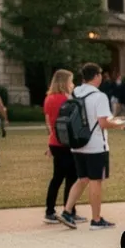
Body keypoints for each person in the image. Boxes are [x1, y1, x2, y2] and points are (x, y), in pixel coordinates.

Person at [60, 62, 125, 230]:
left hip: (78, 144)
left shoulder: (75, 92)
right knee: (96, 181)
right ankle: (96, 220)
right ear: (96, 76)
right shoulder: (99, 96)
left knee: (82, 179)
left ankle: (67, 211)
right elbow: (103, 122)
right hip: (96, 145)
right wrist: (119, 124)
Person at [43, 69, 81, 224]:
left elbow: (49, 122)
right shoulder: (66, 99)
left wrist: (49, 143)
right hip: (67, 143)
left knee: (57, 178)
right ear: (65, 82)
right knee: (71, 178)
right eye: (71, 81)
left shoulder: (49, 98)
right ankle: (68, 210)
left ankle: (51, 210)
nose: (72, 84)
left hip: (55, 142)